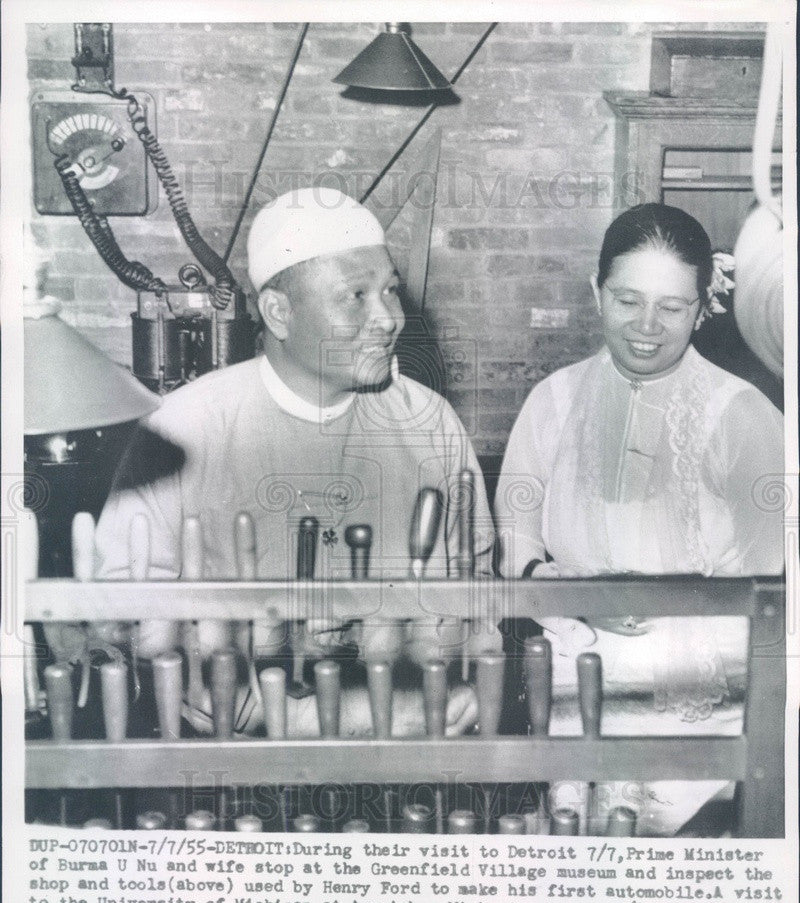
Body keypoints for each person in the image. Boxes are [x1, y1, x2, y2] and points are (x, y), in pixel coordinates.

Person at [91, 186, 498, 737]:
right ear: (278, 312)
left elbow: (475, 589)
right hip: (235, 758)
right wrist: (221, 676)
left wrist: (471, 677)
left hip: (405, 741)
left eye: (391, 292)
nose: (388, 319)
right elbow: (120, 614)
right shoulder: (180, 429)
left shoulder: (429, 422)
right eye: (356, 296)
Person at [494, 203, 784, 835]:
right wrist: (577, 593)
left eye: (672, 306)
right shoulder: (553, 402)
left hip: (705, 724)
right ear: (595, 292)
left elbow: (776, 592)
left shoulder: (746, 416)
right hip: (576, 697)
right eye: (627, 299)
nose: (647, 326)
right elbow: (514, 543)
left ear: (704, 305)